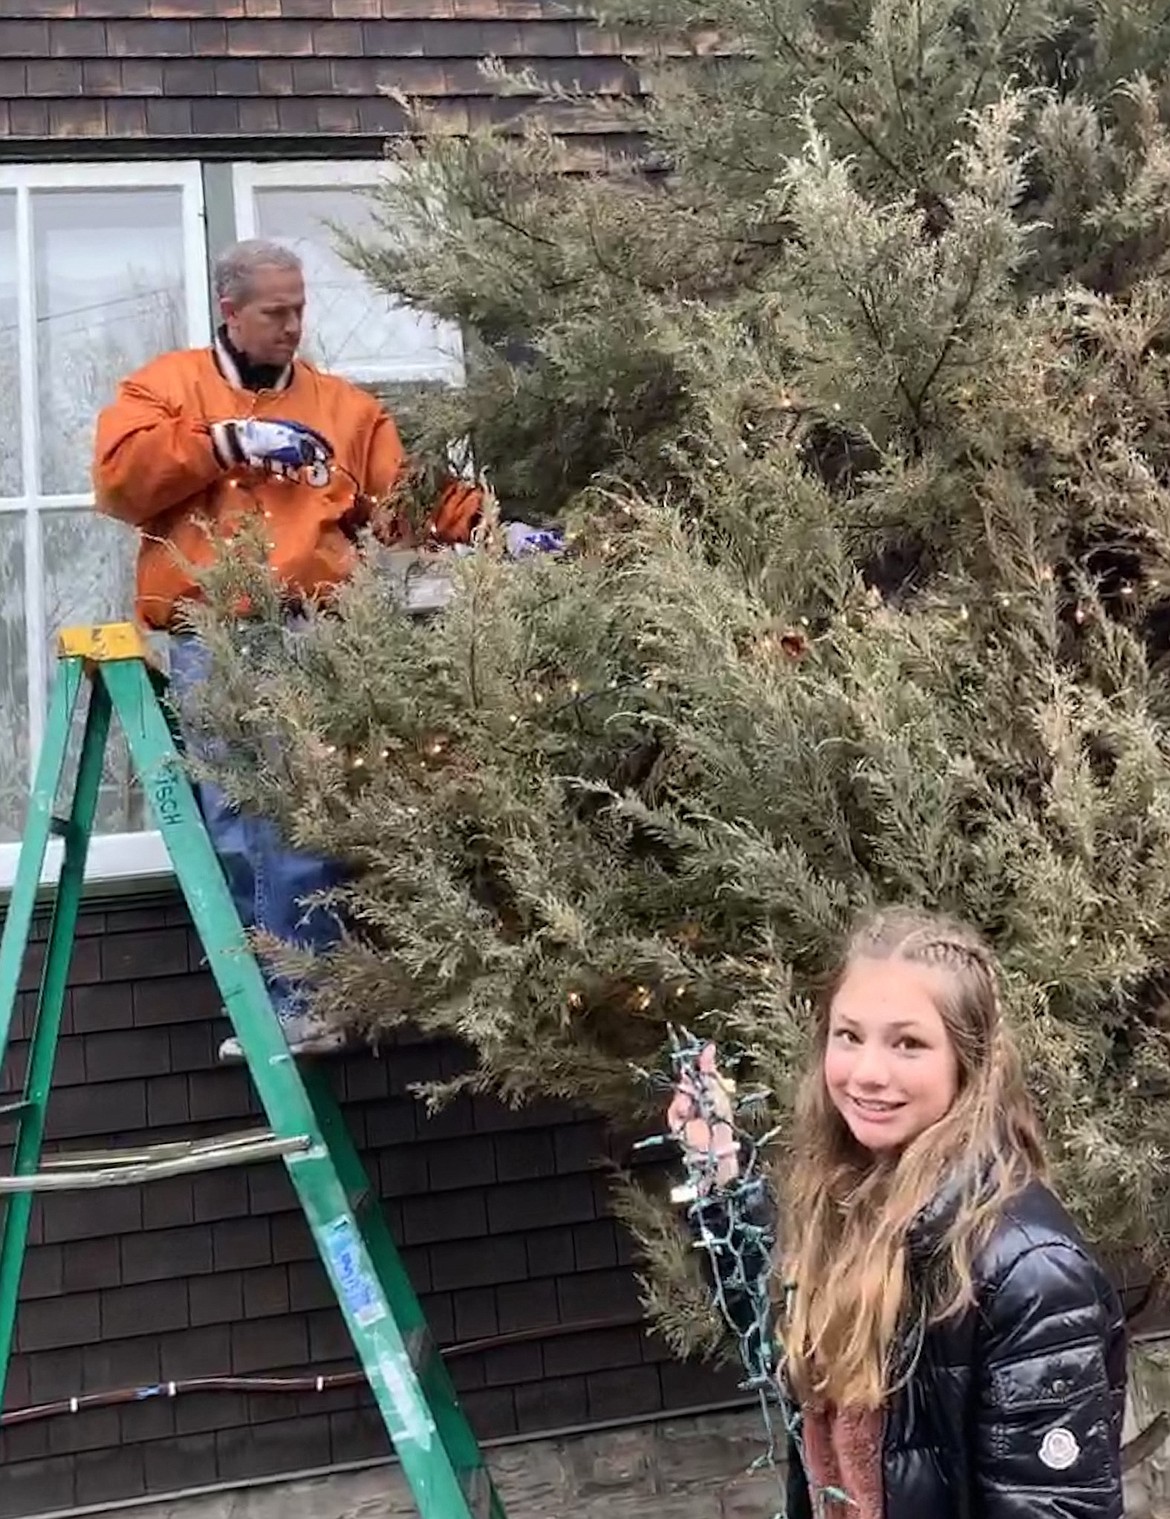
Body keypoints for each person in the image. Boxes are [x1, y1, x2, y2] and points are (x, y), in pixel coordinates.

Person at [93, 239, 482, 1061]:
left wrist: (491, 526)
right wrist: (224, 444)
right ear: (229, 311)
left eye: (300, 308)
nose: (292, 325)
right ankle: (278, 1002)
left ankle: (315, 997)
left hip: (310, 630)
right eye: (275, 312)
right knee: (233, 824)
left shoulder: (344, 409)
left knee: (305, 814)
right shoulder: (163, 390)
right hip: (211, 636)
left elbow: (407, 502)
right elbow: (121, 484)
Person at [668, 908, 1127, 1519]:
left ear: (968, 1061)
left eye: (908, 1043)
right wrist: (719, 1176)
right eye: (849, 1036)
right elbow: (778, 1333)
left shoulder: (1027, 1270)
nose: (867, 1073)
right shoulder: (851, 1203)